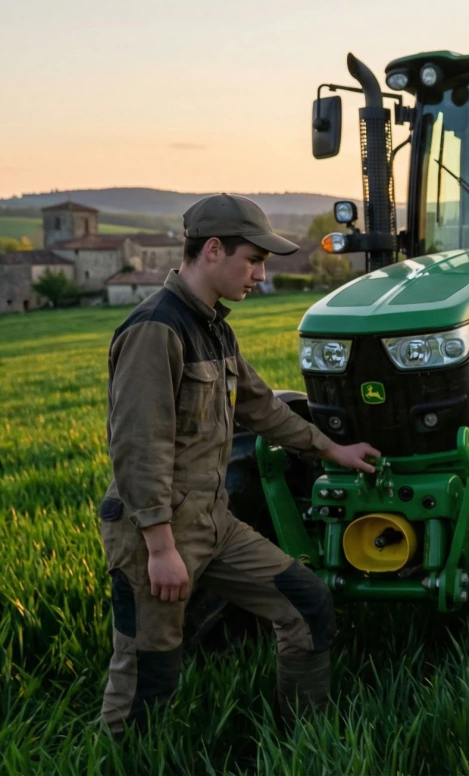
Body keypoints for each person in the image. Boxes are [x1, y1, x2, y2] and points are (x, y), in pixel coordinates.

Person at [96, 193, 380, 734]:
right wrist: (160, 547)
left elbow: (262, 407)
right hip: (155, 532)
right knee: (148, 674)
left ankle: (304, 740)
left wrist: (332, 450)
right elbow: (137, 445)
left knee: (306, 605)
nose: (260, 275)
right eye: (253, 260)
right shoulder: (157, 328)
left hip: (214, 523)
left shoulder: (215, 328)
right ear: (212, 250)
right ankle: (121, 755)